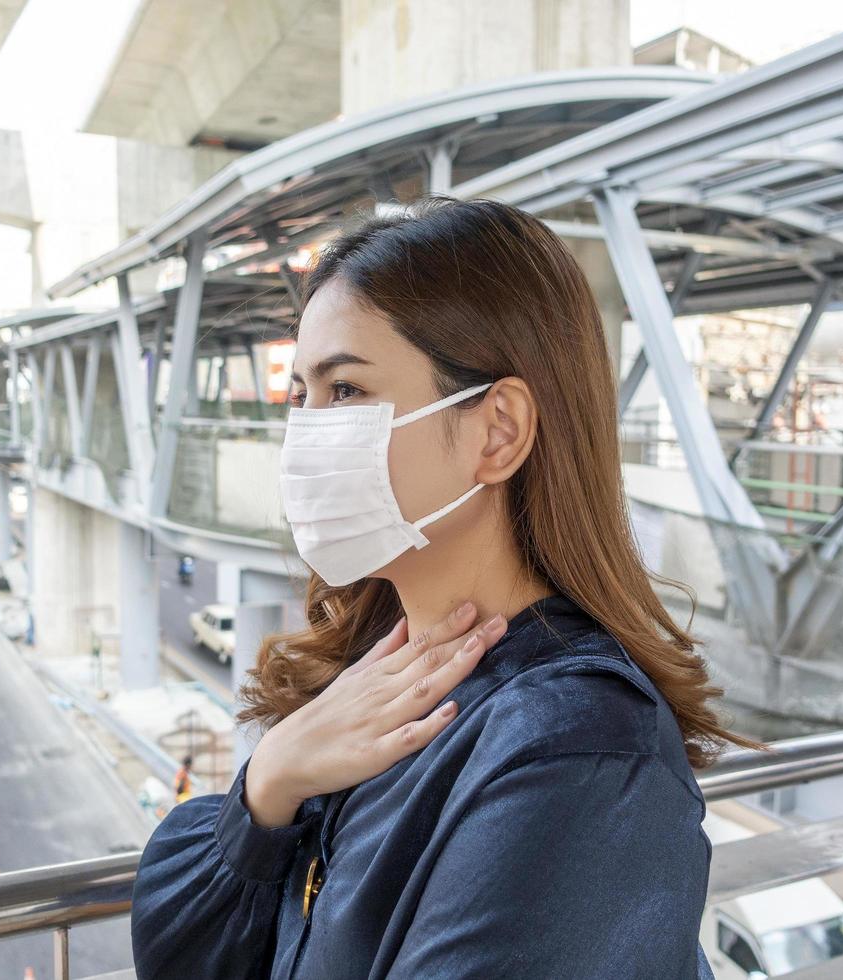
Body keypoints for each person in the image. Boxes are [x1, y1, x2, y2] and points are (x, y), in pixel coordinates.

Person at [130, 199, 755, 979]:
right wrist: (272, 780)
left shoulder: (581, 754)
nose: (305, 435)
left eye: (347, 392)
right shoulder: (376, 681)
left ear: (497, 431)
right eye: (299, 398)